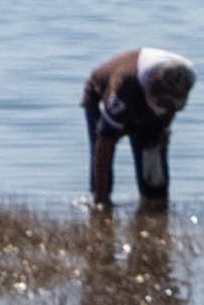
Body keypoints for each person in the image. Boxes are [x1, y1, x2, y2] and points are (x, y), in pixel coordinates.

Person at [82, 45, 196, 211]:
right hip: (100, 95)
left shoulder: (186, 77)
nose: (165, 109)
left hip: (147, 97)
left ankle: (154, 210)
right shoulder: (123, 88)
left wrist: (162, 132)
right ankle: (100, 202)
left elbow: (170, 113)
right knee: (101, 174)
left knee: (155, 180)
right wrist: (102, 201)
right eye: (163, 104)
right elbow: (105, 144)